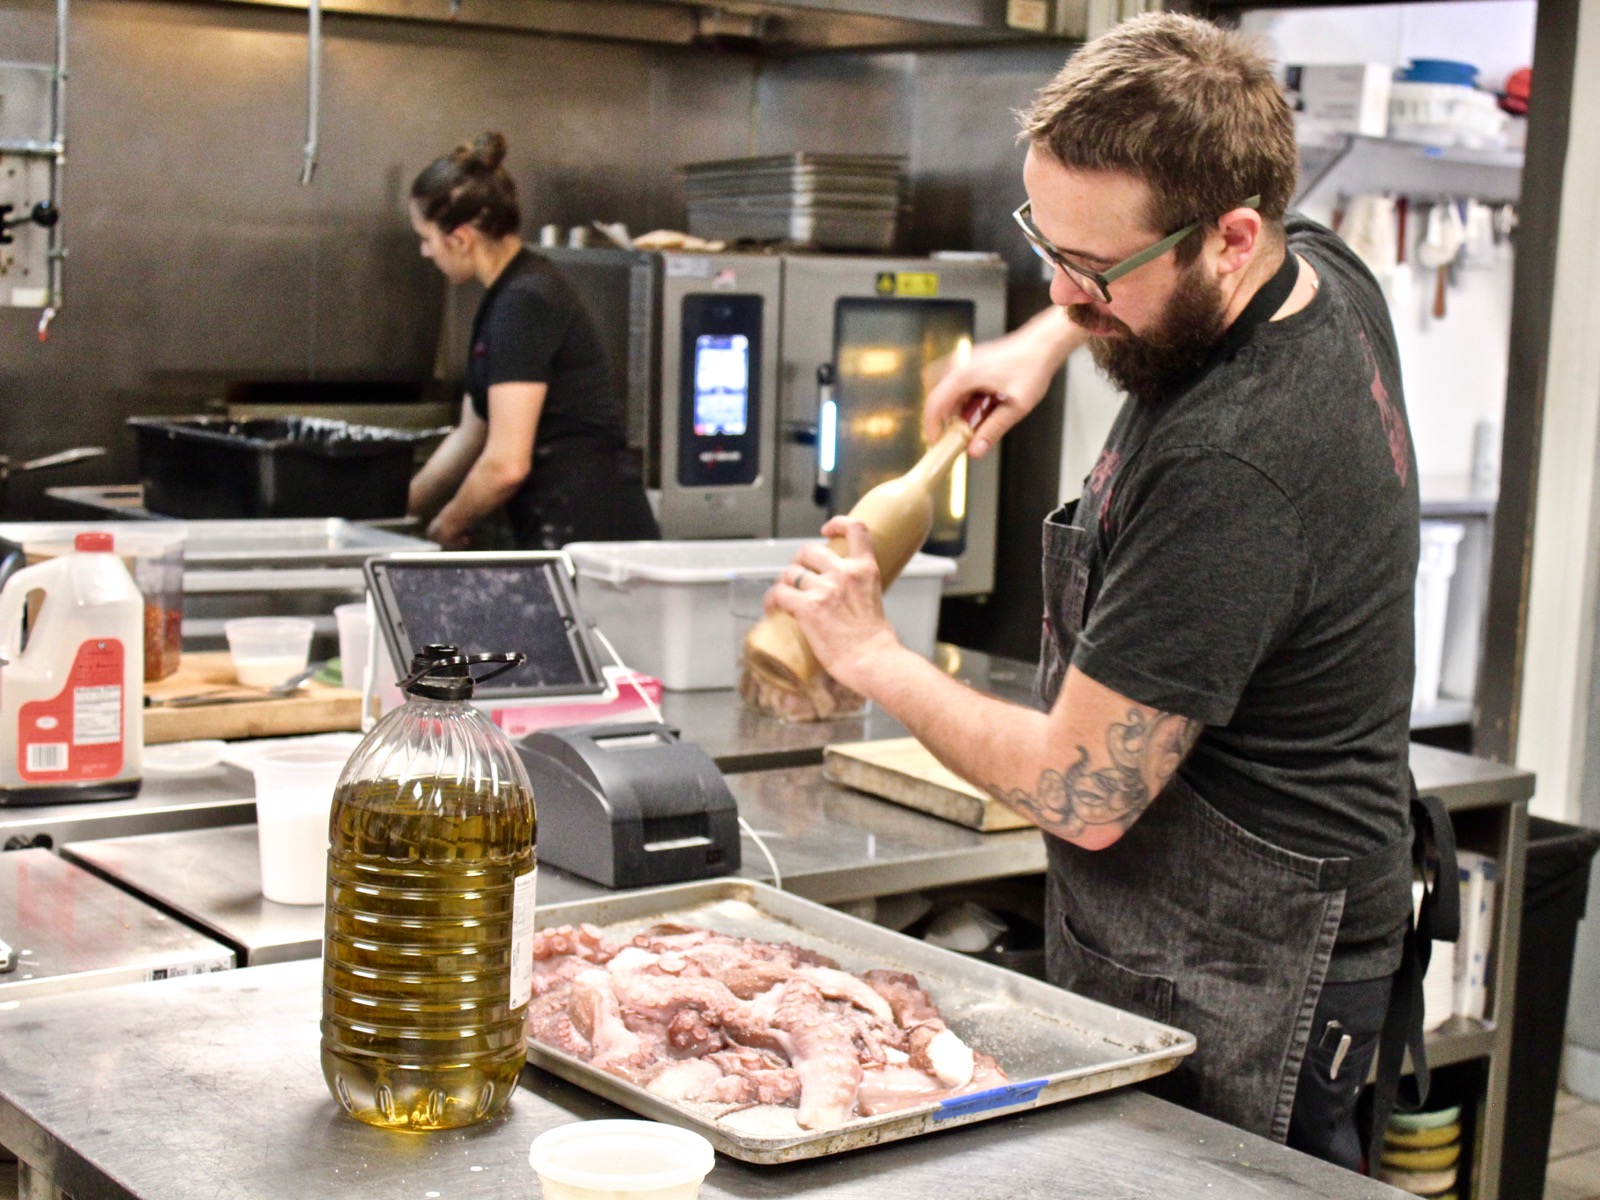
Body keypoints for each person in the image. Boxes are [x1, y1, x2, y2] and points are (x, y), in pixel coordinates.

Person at [770, 14, 1421, 1171]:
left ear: (1227, 236)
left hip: (1254, 970)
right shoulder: (1308, 262)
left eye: (1094, 270)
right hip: (1186, 931)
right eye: (1046, 247)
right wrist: (1048, 337)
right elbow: (1125, 273)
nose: (1066, 287)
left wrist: (870, 653)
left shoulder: (1235, 466)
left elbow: (1082, 792)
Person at [406, 132, 660, 550]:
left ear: (461, 238)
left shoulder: (524, 302)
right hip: (563, 534)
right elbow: (471, 435)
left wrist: (447, 523)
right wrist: (394, 512)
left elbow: (506, 465)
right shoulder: (504, 296)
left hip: (594, 540)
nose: (425, 252)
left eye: (427, 238)